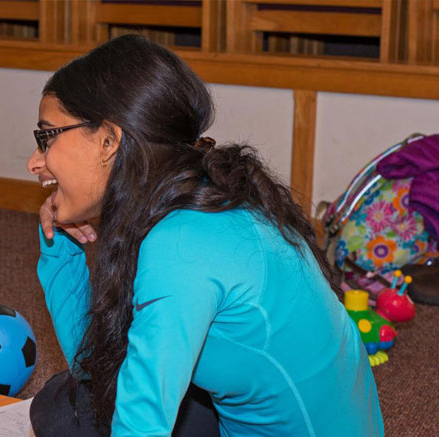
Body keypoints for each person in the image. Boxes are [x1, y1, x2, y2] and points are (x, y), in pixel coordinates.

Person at [26, 34, 383, 436]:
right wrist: (60, 246)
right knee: (72, 398)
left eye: (47, 137)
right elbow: (96, 365)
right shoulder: (210, 201)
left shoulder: (180, 247)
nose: (34, 162)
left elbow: (136, 422)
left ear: (109, 140)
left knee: (65, 412)